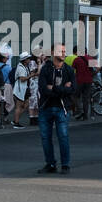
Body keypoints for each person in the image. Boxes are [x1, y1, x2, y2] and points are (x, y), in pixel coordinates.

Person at [37, 46, 75, 174]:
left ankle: (65, 165)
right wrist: (61, 90)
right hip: (46, 107)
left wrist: (54, 88)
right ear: (53, 53)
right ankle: (50, 163)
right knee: (45, 137)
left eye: (65, 51)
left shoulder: (69, 70)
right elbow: (43, 89)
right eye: (61, 51)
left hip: (62, 108)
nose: (64, 53)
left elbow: (72, 89)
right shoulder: (45, 69)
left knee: (63, 137)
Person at [11, 51, 34, 128]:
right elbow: (22, 79)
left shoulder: (24, 66)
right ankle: (16, 123)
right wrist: (31, 76)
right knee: (19, 106)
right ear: (25, 60)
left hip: (24, 89)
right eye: (28, 58)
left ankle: (15, 120)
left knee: (26, 104)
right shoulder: (21, 67)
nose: (29, 60)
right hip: (20, 89)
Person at [72, 50, 94, 120]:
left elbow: (72, 70)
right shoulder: (90, 58)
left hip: (79, 81)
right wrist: (93, 74)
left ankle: (80, 110)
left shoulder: (76, 60)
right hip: (89, 81)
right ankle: (85, 115)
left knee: (75, 96)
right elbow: (99, 68)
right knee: (86, 98)